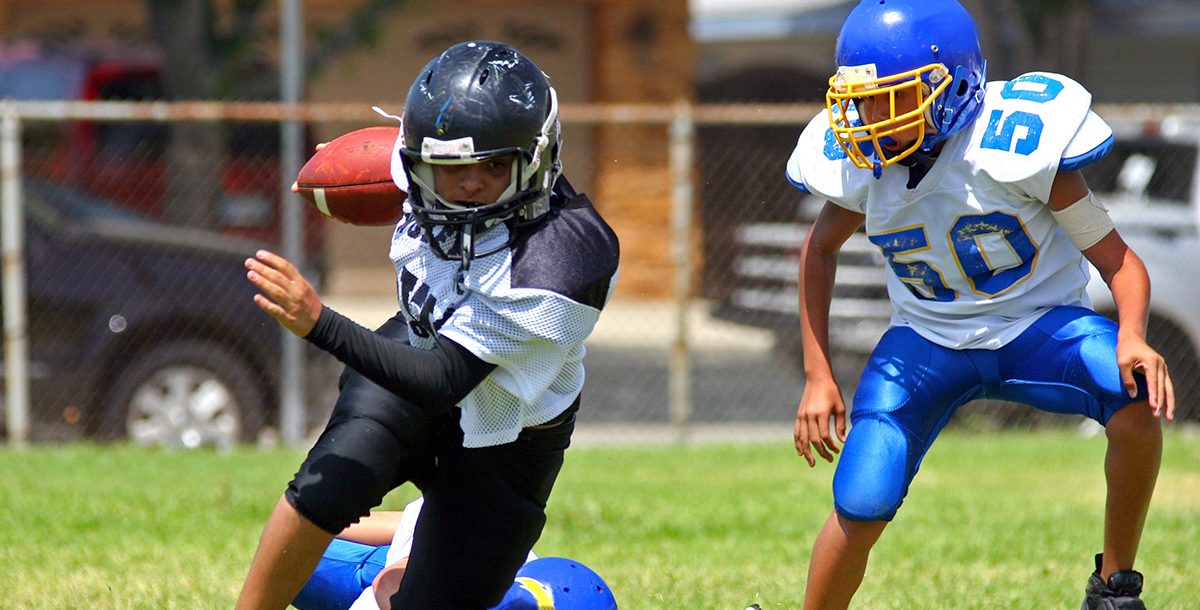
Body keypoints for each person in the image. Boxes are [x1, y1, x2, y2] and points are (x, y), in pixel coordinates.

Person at [785, 2, 1174, 609]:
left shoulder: (1012, 147)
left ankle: (1114, 588)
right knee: (862, 498)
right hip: (925, 343)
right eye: (861, 101)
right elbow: (817, 253)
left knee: (1133, 399)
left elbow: (1120, 262)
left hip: (1039, 327)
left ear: (955, 85)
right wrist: (817, 373)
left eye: (891, 97)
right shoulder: (864, 168)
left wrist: (1132, 336)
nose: (868, 119)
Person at [236, 40, 620, 610]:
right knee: (328, 482)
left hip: (507, 434)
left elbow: (444, 380)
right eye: (447, 168)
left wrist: (319, 324)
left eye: (492, 167)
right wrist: (338, 168)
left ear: (539, 157)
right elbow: (389, 165)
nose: (467, 185)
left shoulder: (563, 256)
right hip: (412, 350)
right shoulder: (421, 166)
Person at [291, 497, 617, 610]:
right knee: (296, 553)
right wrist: (313, 521)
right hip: (406, 560)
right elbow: (390, 582)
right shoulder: (482, 548)